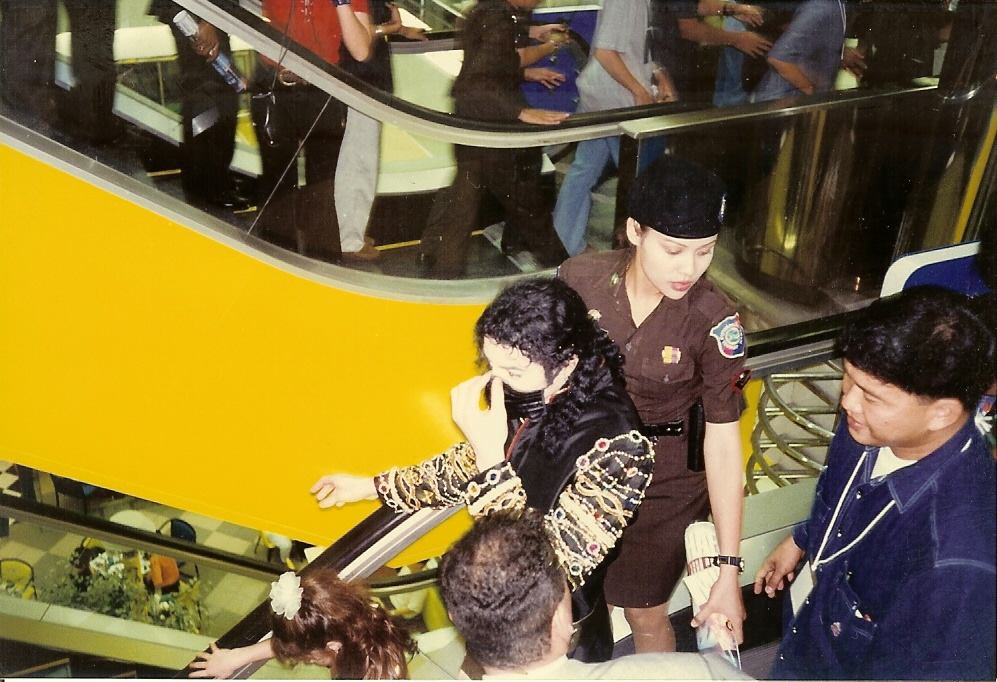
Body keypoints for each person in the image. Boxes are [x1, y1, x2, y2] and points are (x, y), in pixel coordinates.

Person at [311, 278, 655, 661]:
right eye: (491, 365)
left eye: (513, 370)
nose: (497, 381)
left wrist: (491, 459)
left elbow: (544, 571)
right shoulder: (528, 390)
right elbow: (462, 466)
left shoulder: (623, 445)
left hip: (557, 637)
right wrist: (372, 487)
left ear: (568, 361)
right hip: (499, 613)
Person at [754, 286, 996, 680]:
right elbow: (840, 493)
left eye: (871, 396)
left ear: (942, 414)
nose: (847, 402)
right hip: (812, 637)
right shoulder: (869, 426)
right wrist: (802, 539)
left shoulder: (955, 564)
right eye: (848, 379)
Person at [560, 155, 748, 653]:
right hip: (584, 472)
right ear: (634, 231)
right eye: (673, 250)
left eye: (705, 251)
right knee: (567, 597)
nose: (689, 269)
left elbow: (724, 443)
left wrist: (729, 571)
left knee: (644, 611)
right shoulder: (578, 281)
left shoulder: (713, 321)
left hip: (664, 486)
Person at [439, 510, 750, 679]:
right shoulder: (674, 674)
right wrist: (713, 666)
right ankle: (715, 641)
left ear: (457, 618)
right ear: (561, 621)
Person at [416, 0, 572, 278]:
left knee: (465, 192)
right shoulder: (498, 17)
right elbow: (492, 67)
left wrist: (532, 45)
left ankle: (438, 260)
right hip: (492, 119)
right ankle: (567, 273)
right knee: (526, 202)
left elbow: (486, 61)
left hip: (473, 115)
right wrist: (548, 49)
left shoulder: (491, 10)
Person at [249, 0, 372, 262]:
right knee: (278, 183)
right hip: (276, 88)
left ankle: (323, 269)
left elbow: (361, 50)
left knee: (322, 187)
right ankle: (276, 265)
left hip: (322, 92)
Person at [188, 568, 414, 679]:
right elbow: (299, 641)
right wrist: (237, 657)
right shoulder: (349, 622)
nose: (306, 660)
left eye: (308, 657)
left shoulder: (378, 675)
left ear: (333, 647)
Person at [335, 1, 427, 262]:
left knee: (360, 160)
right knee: (358, 163)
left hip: (367, 84)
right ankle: (349, 239)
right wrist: (390, 29)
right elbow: (357, 36)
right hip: (361, 84)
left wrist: (399, 30)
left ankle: (351, 232)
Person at [149, 1, 250, 211]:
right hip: (196, 9)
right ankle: (209, 187)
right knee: (210, 93)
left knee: (212, 92)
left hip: (199, 9)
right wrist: (209, 17)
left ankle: (208, 185)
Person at [753, 0, 845, 101]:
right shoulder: (821, 7)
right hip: (781, 103)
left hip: (795, 100)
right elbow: (778, 59)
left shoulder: (836, 6)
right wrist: (813, 96)